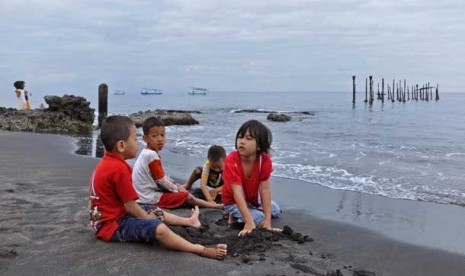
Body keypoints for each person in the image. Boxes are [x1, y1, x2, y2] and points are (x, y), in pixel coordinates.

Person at [88, 115, 227, 259]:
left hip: (103, 221)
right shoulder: (119, 169)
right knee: (157, 227)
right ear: (122, 145)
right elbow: (130, 207)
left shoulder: (107, 164)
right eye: (135, 139)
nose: (137, 143)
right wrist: (148, 219)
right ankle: (199, 249)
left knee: (151, 209)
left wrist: (148, 212)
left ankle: (189, 221)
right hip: (112, 227)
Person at [132, 116, 223, 210]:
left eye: (162, 135)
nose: (159, 139)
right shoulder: (151, 155)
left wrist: (177, 186)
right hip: (148, 197)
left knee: (179, 189)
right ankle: (213, 205)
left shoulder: (146, 153)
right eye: (154, 136)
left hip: (142, 194)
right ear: (145, 138)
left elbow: (161, 177)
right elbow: (161, 180)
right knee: (188, 197)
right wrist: (178, 189)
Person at [222, 120, 282, 236]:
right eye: (240, 137)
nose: (242, 142)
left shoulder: (264, 160)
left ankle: (244, 213)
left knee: (275, 210)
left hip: (252, 199)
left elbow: (265, 190)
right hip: (233, 200)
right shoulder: (232, 160)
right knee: (259, 218)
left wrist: (268, 222)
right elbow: (237, 192)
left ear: (259, 146)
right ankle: (235, 214)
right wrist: (249, 222)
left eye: (248, 139)